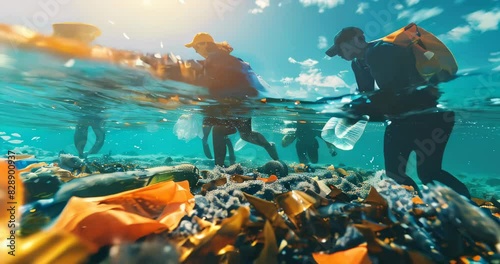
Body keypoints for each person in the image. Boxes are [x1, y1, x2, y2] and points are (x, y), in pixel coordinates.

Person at [325, 27, 471, 198]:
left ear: (357, 40)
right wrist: (356, 110)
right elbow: (369, 95)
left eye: (340, 48)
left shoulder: (380, 51)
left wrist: (356, 111)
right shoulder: (358, 64)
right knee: (422, 174)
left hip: (422, 117)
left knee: (418, 174)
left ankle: (469, 209)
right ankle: (422, 207)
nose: (339, 55)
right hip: (421, 119)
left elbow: (393, 91)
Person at [185, 32, 279, 166]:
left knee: (219, 130)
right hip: (242, 102)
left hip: (230, 102)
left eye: (196, 47)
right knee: (245, 134)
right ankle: (268, 145)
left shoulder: (213, 59)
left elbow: (209, 83)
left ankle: (219, 169)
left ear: (204, 44)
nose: (195, 50)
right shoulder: (230, 58)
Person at [52, 22, 106, 159]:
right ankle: (84, 155)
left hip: (92, 101)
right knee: (92, 129)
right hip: (89, 101)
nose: (90, 38)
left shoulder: (94, 54)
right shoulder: (69, 56)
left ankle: (85, 155)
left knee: (91, 129)